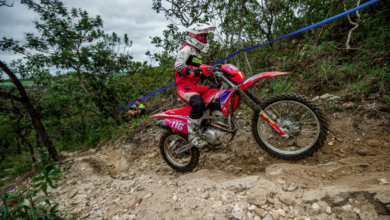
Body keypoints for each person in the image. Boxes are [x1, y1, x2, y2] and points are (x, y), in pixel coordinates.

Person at [174, 23, 216, 148]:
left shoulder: (197, 54)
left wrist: (207, 73)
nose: (205, 40)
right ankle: (192, 136)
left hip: (194, 86)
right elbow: (178, 65)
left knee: (216, 91)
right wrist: (191, 71)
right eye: (202, 37)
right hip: (183, 86)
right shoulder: (186, 49)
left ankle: (210, 127)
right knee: (198, 102)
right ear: (193, 36)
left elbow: (198, 72)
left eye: (206, 38)